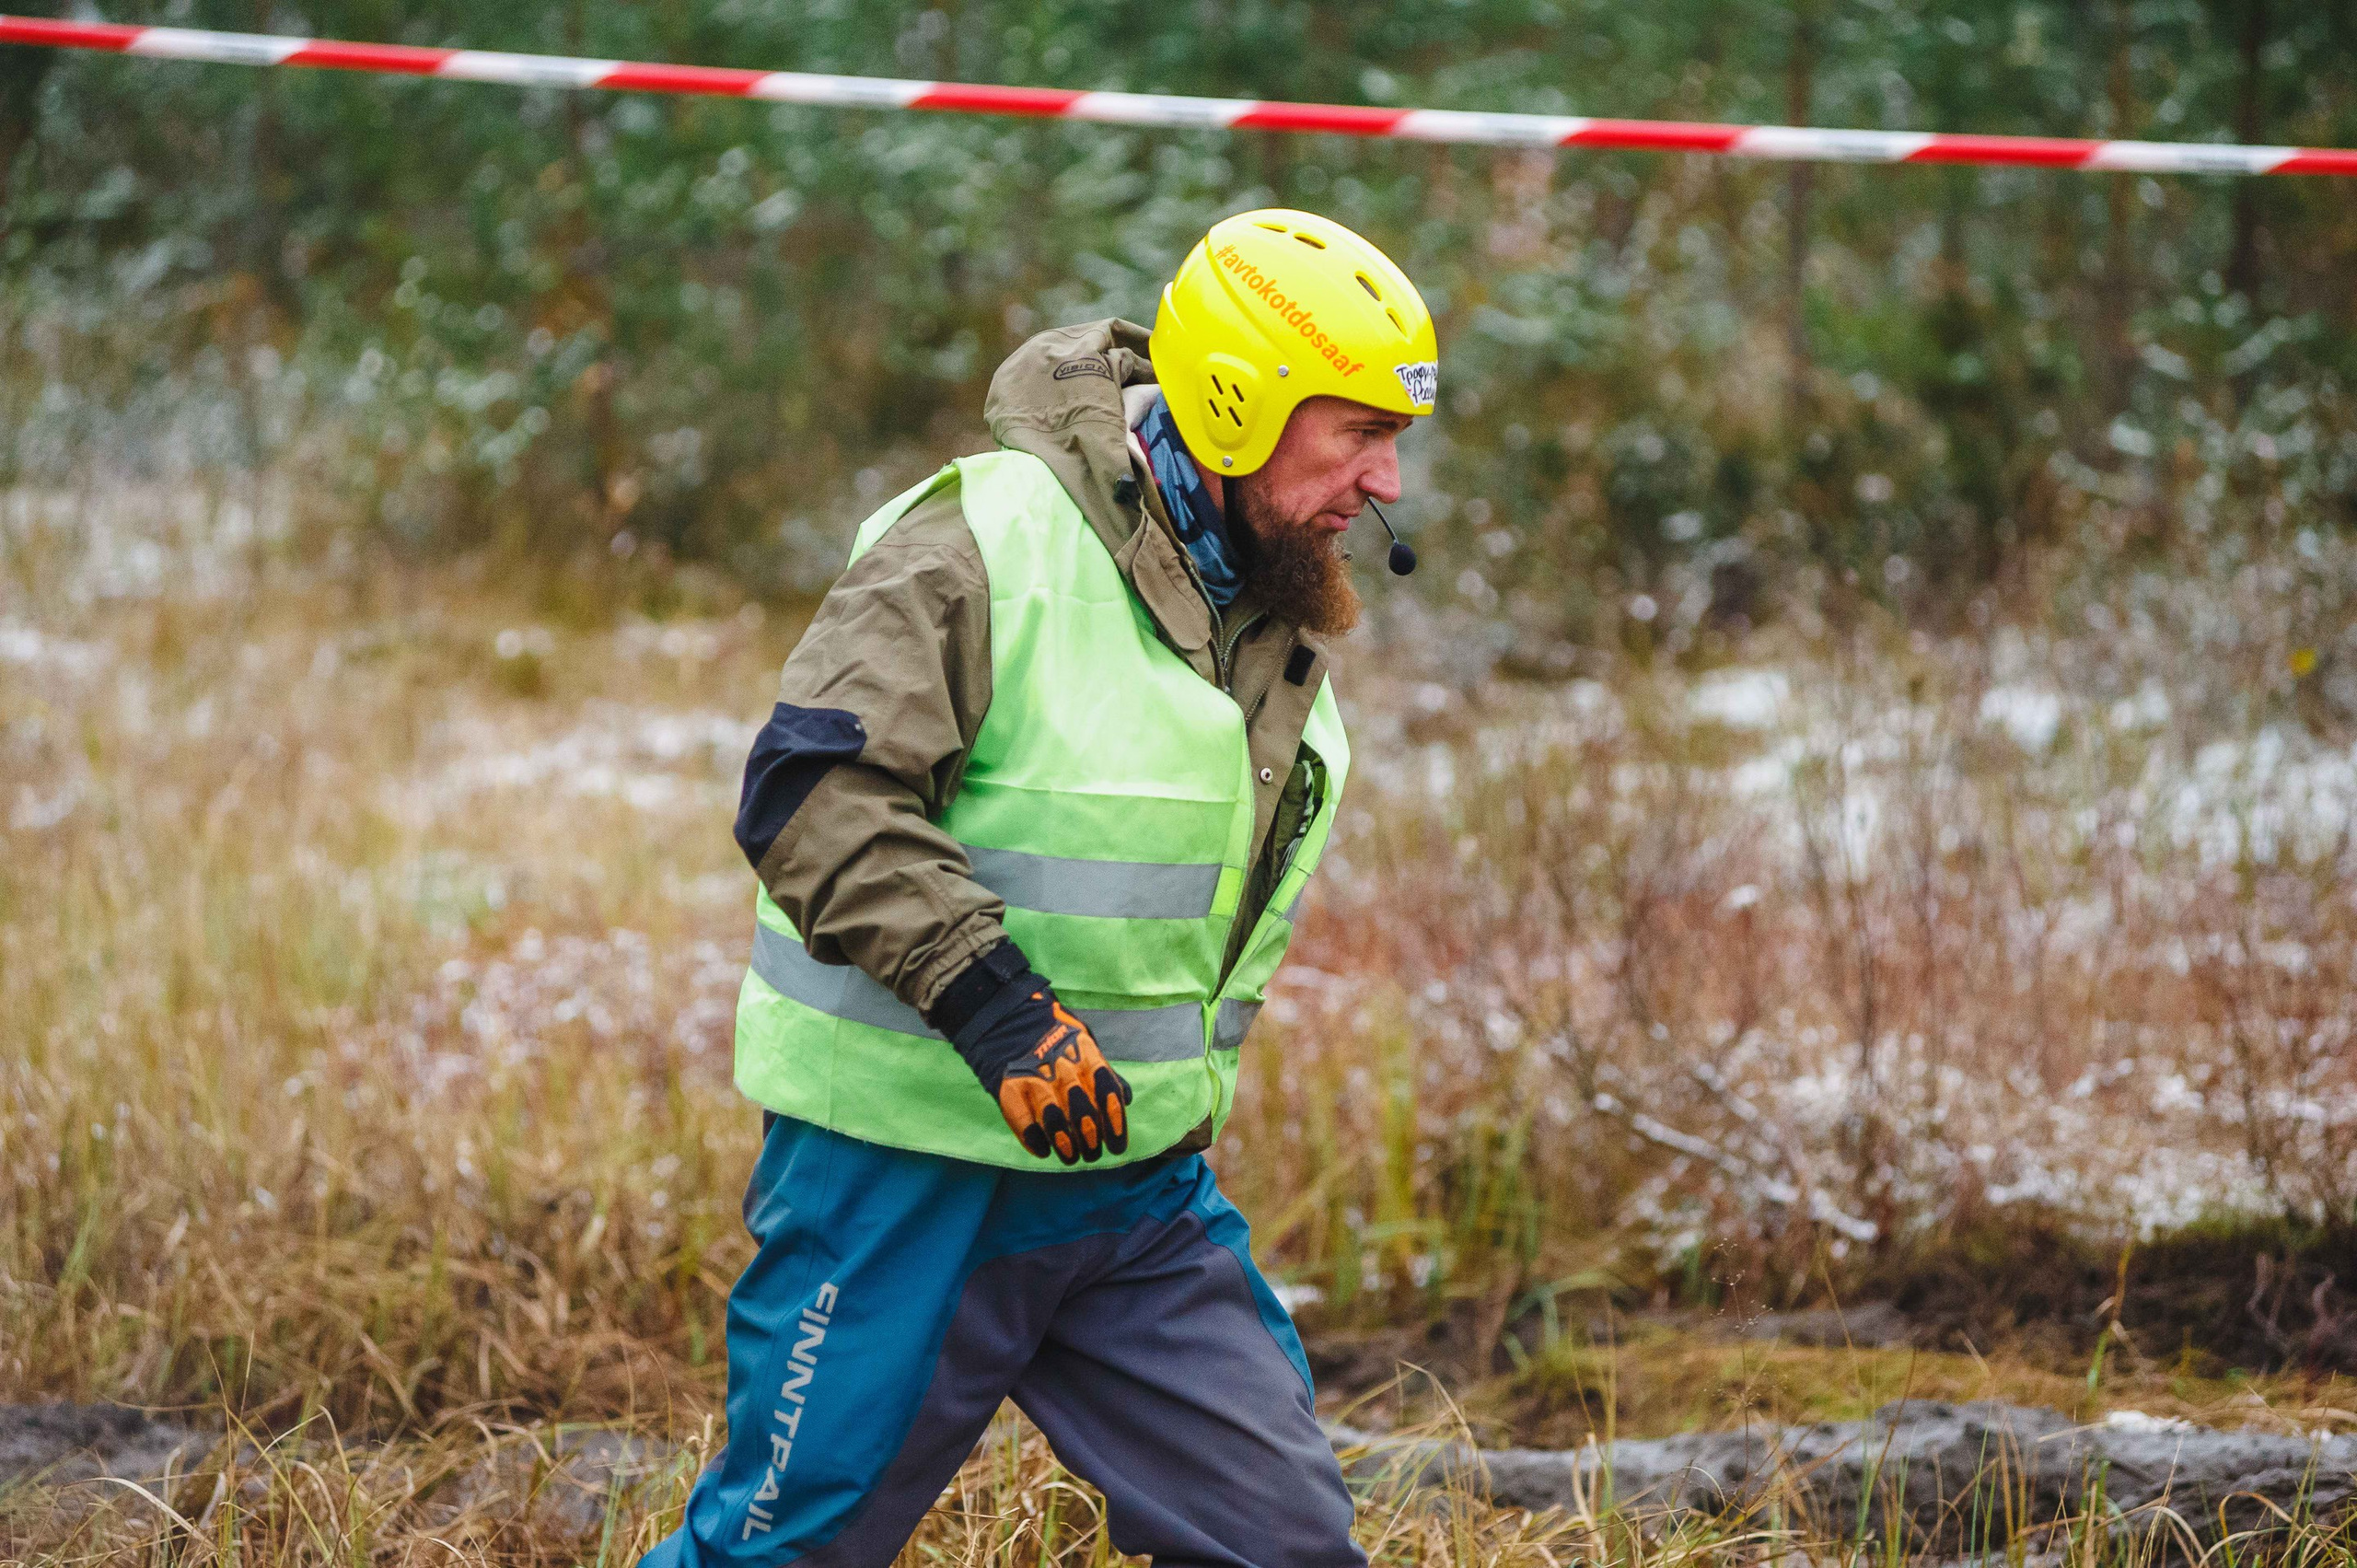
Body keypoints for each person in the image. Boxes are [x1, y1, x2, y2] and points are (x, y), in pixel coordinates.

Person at [640, 208, 1439, 1568]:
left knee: (1287, 1547)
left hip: (1129, 1189)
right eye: (1359, 432)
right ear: (1240, 406)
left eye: (1398, 440)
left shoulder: (1267, 610)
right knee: (781, 1554)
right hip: (903, 1178)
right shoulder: (981, 540)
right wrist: (999, 1009)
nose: (1389, 482)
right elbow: (811, 794)